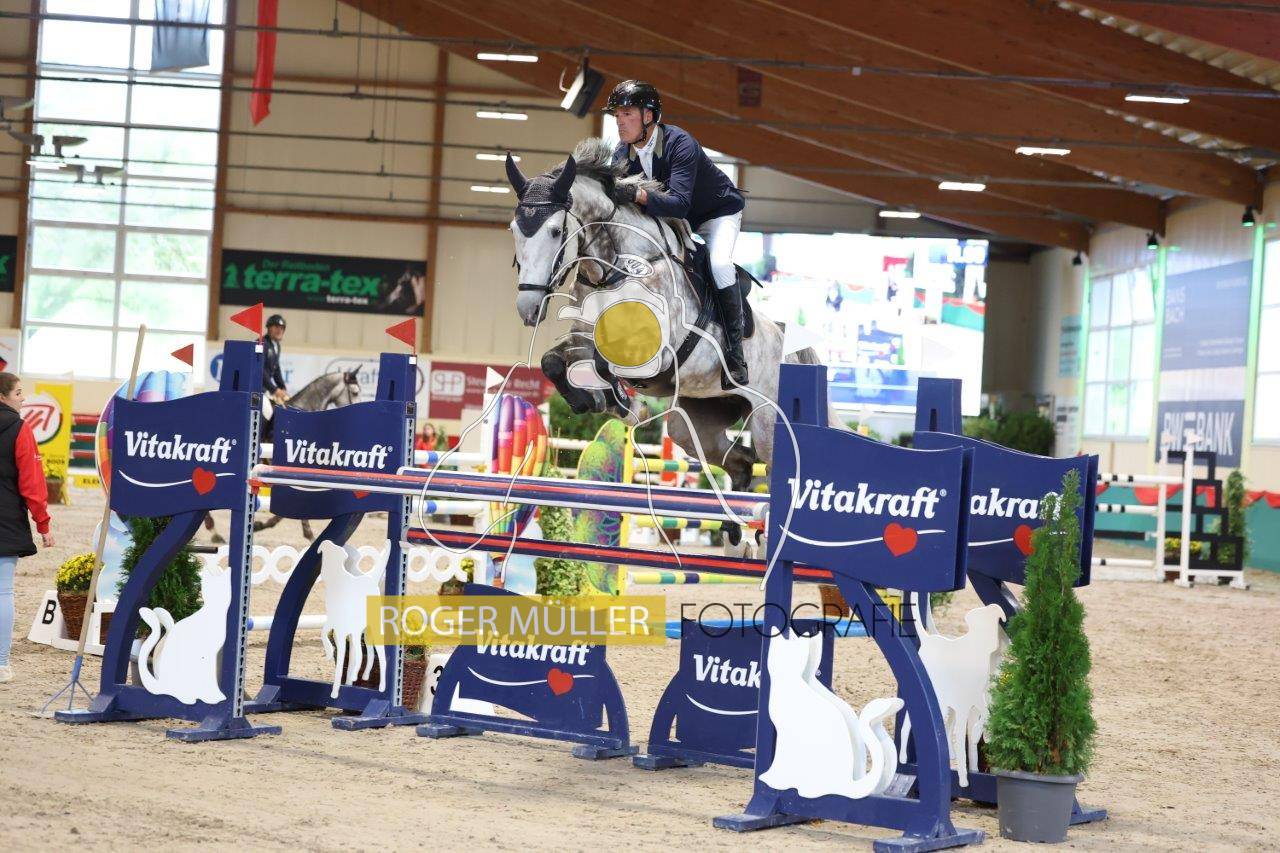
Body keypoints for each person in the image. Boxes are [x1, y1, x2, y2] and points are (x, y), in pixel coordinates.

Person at [605, 80, 749, 387]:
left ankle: (735, 353)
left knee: (719, 264)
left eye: (627, 113)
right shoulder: (621, 153)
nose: (619, 121)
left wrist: (637, 194)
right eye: (617, 115)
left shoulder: (679, 143)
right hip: (677, 221)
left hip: (717, 214)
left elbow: (680, 203)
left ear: (648, 116)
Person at [0, 373, 54, 683]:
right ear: (3, 397)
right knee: (3, 592)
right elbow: (32, 482)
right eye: (19, 393)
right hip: (5, 520)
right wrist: (43, 522)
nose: (23, 398)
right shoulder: (20, 429)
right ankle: (1, 664)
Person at [263, 314, 288, 405]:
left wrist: (282, 387)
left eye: (282, 328)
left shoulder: (277, 346)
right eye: (277, 327)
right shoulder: (262, 343)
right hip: (258, 389)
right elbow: (260, 370)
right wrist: (274, 389)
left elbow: (276, 370)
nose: (279, 330)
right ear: (269, 328)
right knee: (268, 410)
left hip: (267, 389)